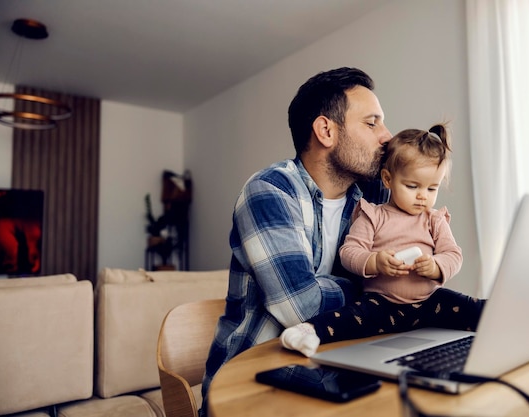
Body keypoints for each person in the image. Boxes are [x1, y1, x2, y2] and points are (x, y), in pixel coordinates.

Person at [200, 67, 392, 415]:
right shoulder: (270, 191)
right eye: (372, 123)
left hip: (335, 367)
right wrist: (367, 287)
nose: (386, 136)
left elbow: (406, 281)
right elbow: (300, 306)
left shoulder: (371, 194)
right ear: (326, 131)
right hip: (252, 385)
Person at [280, 125, 486, 357]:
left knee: (473, 307)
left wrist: (436, 266)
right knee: (348, 318)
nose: (422, 195)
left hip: (430, 303)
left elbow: (453, 255)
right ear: (388, 179)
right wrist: (375, 262)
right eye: (412, 186)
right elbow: (349, 252)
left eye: (432, 188)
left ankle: (515, 321)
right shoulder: (373, 215)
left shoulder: (434, 219)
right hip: (382, 303)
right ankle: (306, 332)